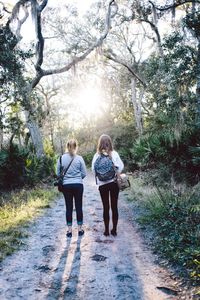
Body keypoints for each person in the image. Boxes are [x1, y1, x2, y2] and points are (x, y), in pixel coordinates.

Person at [92, 134, 124, 236]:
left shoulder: (96, 155)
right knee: (114, 207)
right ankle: (114, 230)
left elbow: (93, 170)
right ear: (110, 142)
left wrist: (102, 174)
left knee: (106, 207)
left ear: (100, 143)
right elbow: (121, 167)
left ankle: (106, 230)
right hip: (114, 183)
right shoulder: (114, 154)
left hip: (102, 185)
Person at [56, 139, 87, 238]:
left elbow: (58, 173)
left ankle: (69, 231)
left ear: (67, 146)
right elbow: (84, 173)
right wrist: (77, 179)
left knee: (68, 208)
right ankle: (80, 229)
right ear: (76, 147)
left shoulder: (61, 158)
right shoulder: (80, 158)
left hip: (66, 186)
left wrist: (67, 179)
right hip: (78, 185)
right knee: (79, 207)